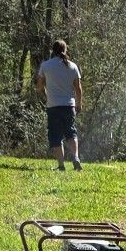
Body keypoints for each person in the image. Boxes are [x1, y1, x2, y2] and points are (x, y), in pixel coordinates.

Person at [35, 39, 83, 171]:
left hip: (53, 106)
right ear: (65, 50)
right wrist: (79, 104)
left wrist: (46, 95)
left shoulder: (46, 65)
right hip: (69, 105)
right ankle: (76, 158)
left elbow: (39, 86)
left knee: (55, 135)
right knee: (71, 132)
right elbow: (78, 88)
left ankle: (61, 165)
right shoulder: (73, 66)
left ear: (53, 50)